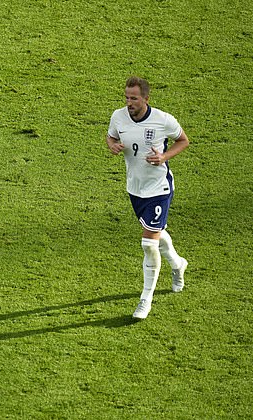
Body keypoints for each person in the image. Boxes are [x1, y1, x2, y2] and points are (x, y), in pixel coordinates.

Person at [106, 76, 189, 319]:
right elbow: (111, 136)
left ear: (145, 99)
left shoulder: (163, 120)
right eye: (127, 97)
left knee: (148, 243)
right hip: (135, 188)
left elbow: (183, 140)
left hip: (158, 188)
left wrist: (164, 157)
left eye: (134, 98)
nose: (129, 102)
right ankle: (177, 264)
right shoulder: (118, 116)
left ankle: (145, 299)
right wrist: (111, 145)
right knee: (155, 231)